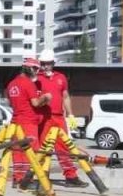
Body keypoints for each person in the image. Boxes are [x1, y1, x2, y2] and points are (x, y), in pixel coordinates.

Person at [35, 50, 87, 187]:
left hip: (58, 117)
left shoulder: (61, 77)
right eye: (43, 64)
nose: (46, 66)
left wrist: (70, 114)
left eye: (48, 64)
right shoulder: (36, 78)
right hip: (44, 117)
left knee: (63, 147)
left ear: (53, 63)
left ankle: (71, 176)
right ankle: (42, 176)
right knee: (44, 147)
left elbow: (65, 97)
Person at [6, 57, 51, 186]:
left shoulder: (11, 84)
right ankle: (26, 180)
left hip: (15, 121)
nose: (37, 72)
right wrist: (46, 98)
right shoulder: (28, 83)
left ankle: (17, 178)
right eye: (36, 68)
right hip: (28, 122)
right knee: (31, 151)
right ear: (29, 68)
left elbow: (11, 103)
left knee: (17, 151)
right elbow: (35, 103)